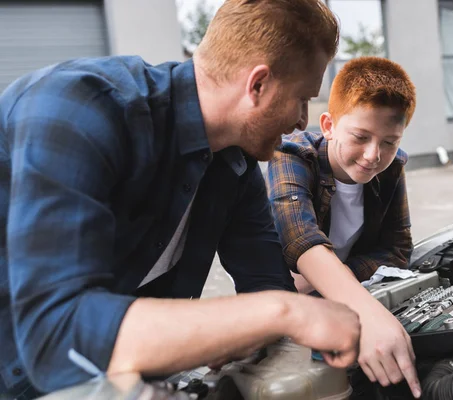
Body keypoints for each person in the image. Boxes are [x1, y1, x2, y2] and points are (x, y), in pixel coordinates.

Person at [0, 1, 362, 398]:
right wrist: (283, 314)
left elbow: (265, 286)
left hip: (123, 374)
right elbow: (55, 337)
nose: (301, 121)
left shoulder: (235, 163)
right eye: (302, 99)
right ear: (258, 85)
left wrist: (257, 324)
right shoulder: (82, 108)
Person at [267, 57, 420, 397]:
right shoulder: (290, 155)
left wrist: (335, 281)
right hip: (281, 309)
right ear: (329, 124)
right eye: (360, 136)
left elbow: (398, 249)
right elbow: (300, 238)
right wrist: (361, 306)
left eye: (389, 142)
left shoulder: (392, 167)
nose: (372, 155)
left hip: (337, 297)